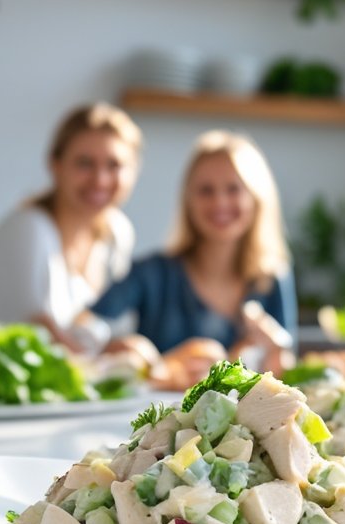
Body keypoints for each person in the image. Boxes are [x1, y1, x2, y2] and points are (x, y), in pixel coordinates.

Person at [82, 129, 297, 390]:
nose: (219, 201)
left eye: (233, 189)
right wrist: (146, 361)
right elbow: (84, 330)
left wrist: (275, 350)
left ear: (256, 198)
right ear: (189, 200)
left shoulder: (272, 278)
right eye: (206, 190)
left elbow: (285, 374)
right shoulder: (152, 273)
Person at [0, 103, 142, 351]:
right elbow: (36, 336)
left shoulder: (116, 234)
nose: (100, 180)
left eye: (114, 165)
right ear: (55, 165)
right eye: (84, 163)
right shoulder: (28, 229)